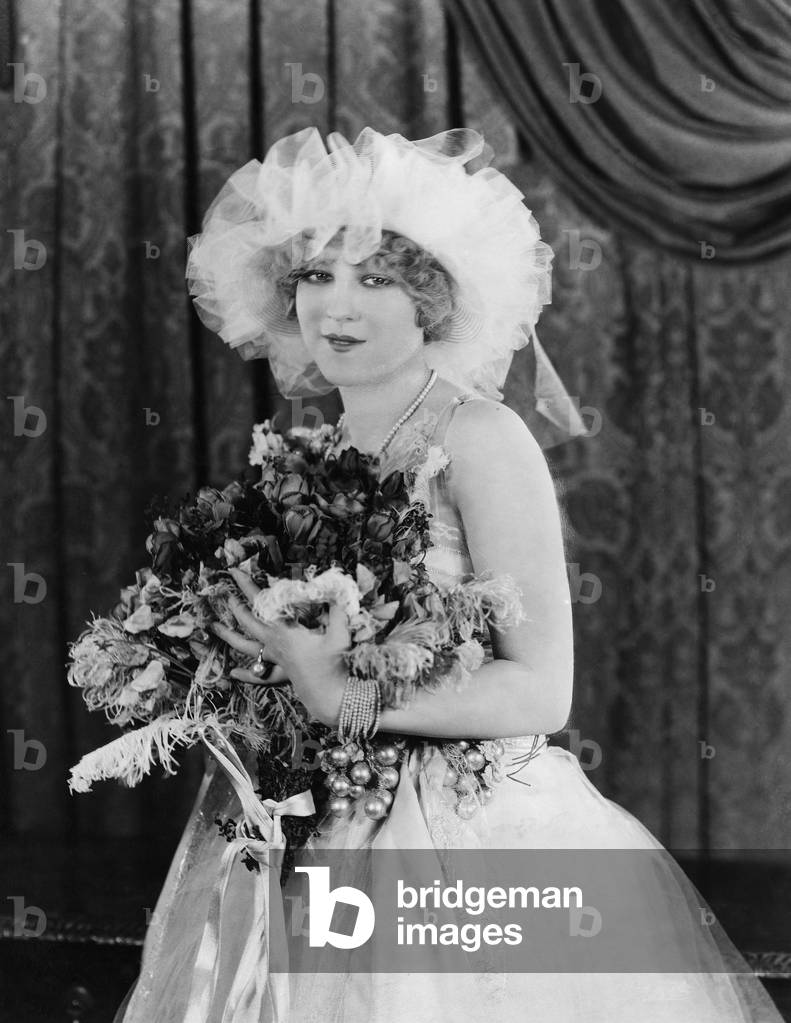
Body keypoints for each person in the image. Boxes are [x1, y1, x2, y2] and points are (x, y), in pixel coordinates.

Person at [115, 127, 784, 1022]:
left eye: (375, 278)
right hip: (313, 812)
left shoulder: (480, 437)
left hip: (457, 829)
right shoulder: (308, 447)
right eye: (315, 274)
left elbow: (541, 691)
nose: (336, 307)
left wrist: (342, 695)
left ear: (431, 298)